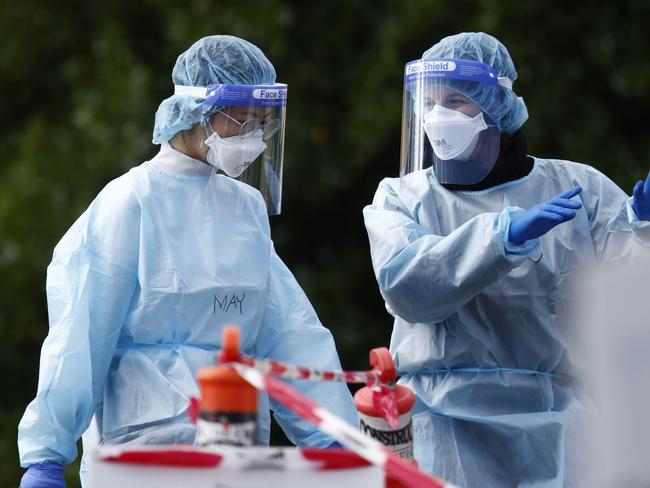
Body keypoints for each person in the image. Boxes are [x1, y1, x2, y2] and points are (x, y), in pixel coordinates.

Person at [18, 35, 358, 488]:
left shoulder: (246, 209)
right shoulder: (129, 202)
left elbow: (289, 332)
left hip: (235, 457)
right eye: (244, 120)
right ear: (198, 108)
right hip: (141, 458)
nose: (254, 138)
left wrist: (332, 435)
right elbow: (80, 339)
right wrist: (45, 456)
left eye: (263, 124)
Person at [363, 32, 650, 487]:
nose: (438, 117)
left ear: (496, 105)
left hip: (557, 428)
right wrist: (500, 237)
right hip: (443, 424)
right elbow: (409, 287)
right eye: (430, 102)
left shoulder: (579, 191)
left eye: (455, 101)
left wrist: (644, 233)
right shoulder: (401, 197)